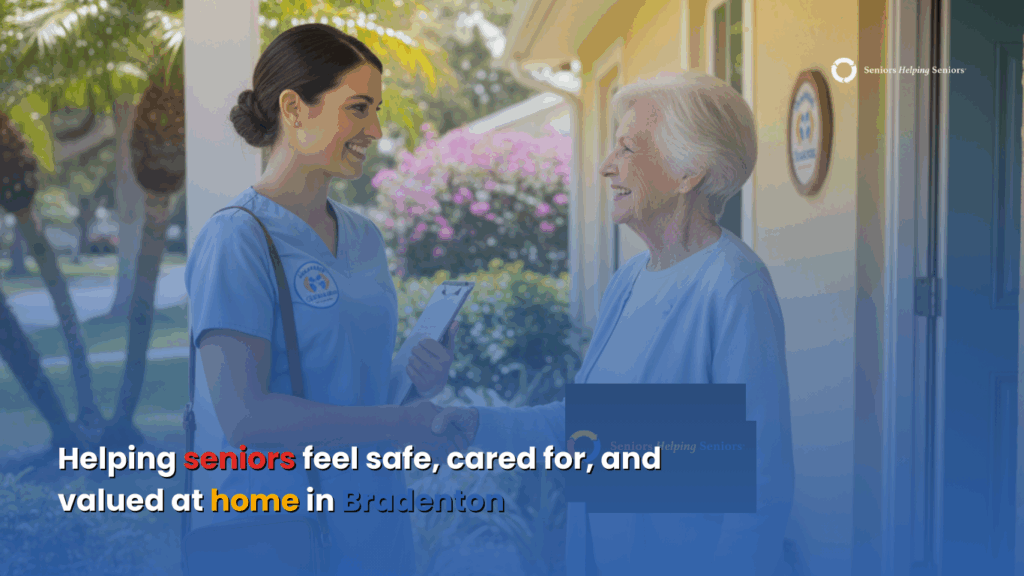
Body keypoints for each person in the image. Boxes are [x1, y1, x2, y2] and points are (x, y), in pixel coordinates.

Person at [433, 71, 796, 575]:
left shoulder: (733, 285)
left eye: (627, 148)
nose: (607, 166)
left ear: (689, 171)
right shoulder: (630, 280)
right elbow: (591, 430)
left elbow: (761, 485)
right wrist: (480, 425)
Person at [186, 24, 457, 576]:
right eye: (358, 109)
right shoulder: (238, 239)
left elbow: (352, 381)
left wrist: (412, 376)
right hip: (278, 534)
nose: (375, 129)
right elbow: (244, 418)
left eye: (376, 109)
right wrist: (391, 425)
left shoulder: (364, 237)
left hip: (375, 529)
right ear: (294, 108)